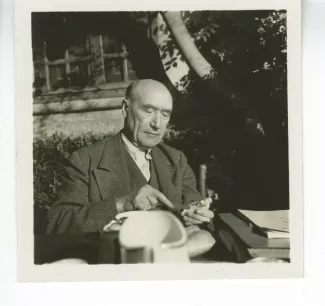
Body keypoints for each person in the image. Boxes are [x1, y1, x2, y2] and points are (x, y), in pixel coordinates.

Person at [43, 79, 215, 234]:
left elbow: (194, 210)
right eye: (148, 111)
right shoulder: (86, 160)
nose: (157, 124)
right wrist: (121, 204)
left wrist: (197, 216)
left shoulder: (176, 160)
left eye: (165, 114)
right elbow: (56, 223)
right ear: (125, 108)